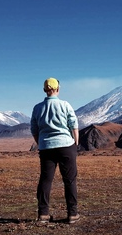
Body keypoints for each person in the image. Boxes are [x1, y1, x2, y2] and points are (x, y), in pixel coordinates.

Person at [30, 78, 79, 224]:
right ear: (58, 88)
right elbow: (73, 124)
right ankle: (72, 214)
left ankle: (43, 214)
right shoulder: (65, 105)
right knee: (69, 180)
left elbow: (34, 129)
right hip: (66, 146)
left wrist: (41, 143)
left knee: (46, 179)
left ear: (45, 89)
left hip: (46, 147)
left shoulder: (37, 108)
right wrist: (75, 143)